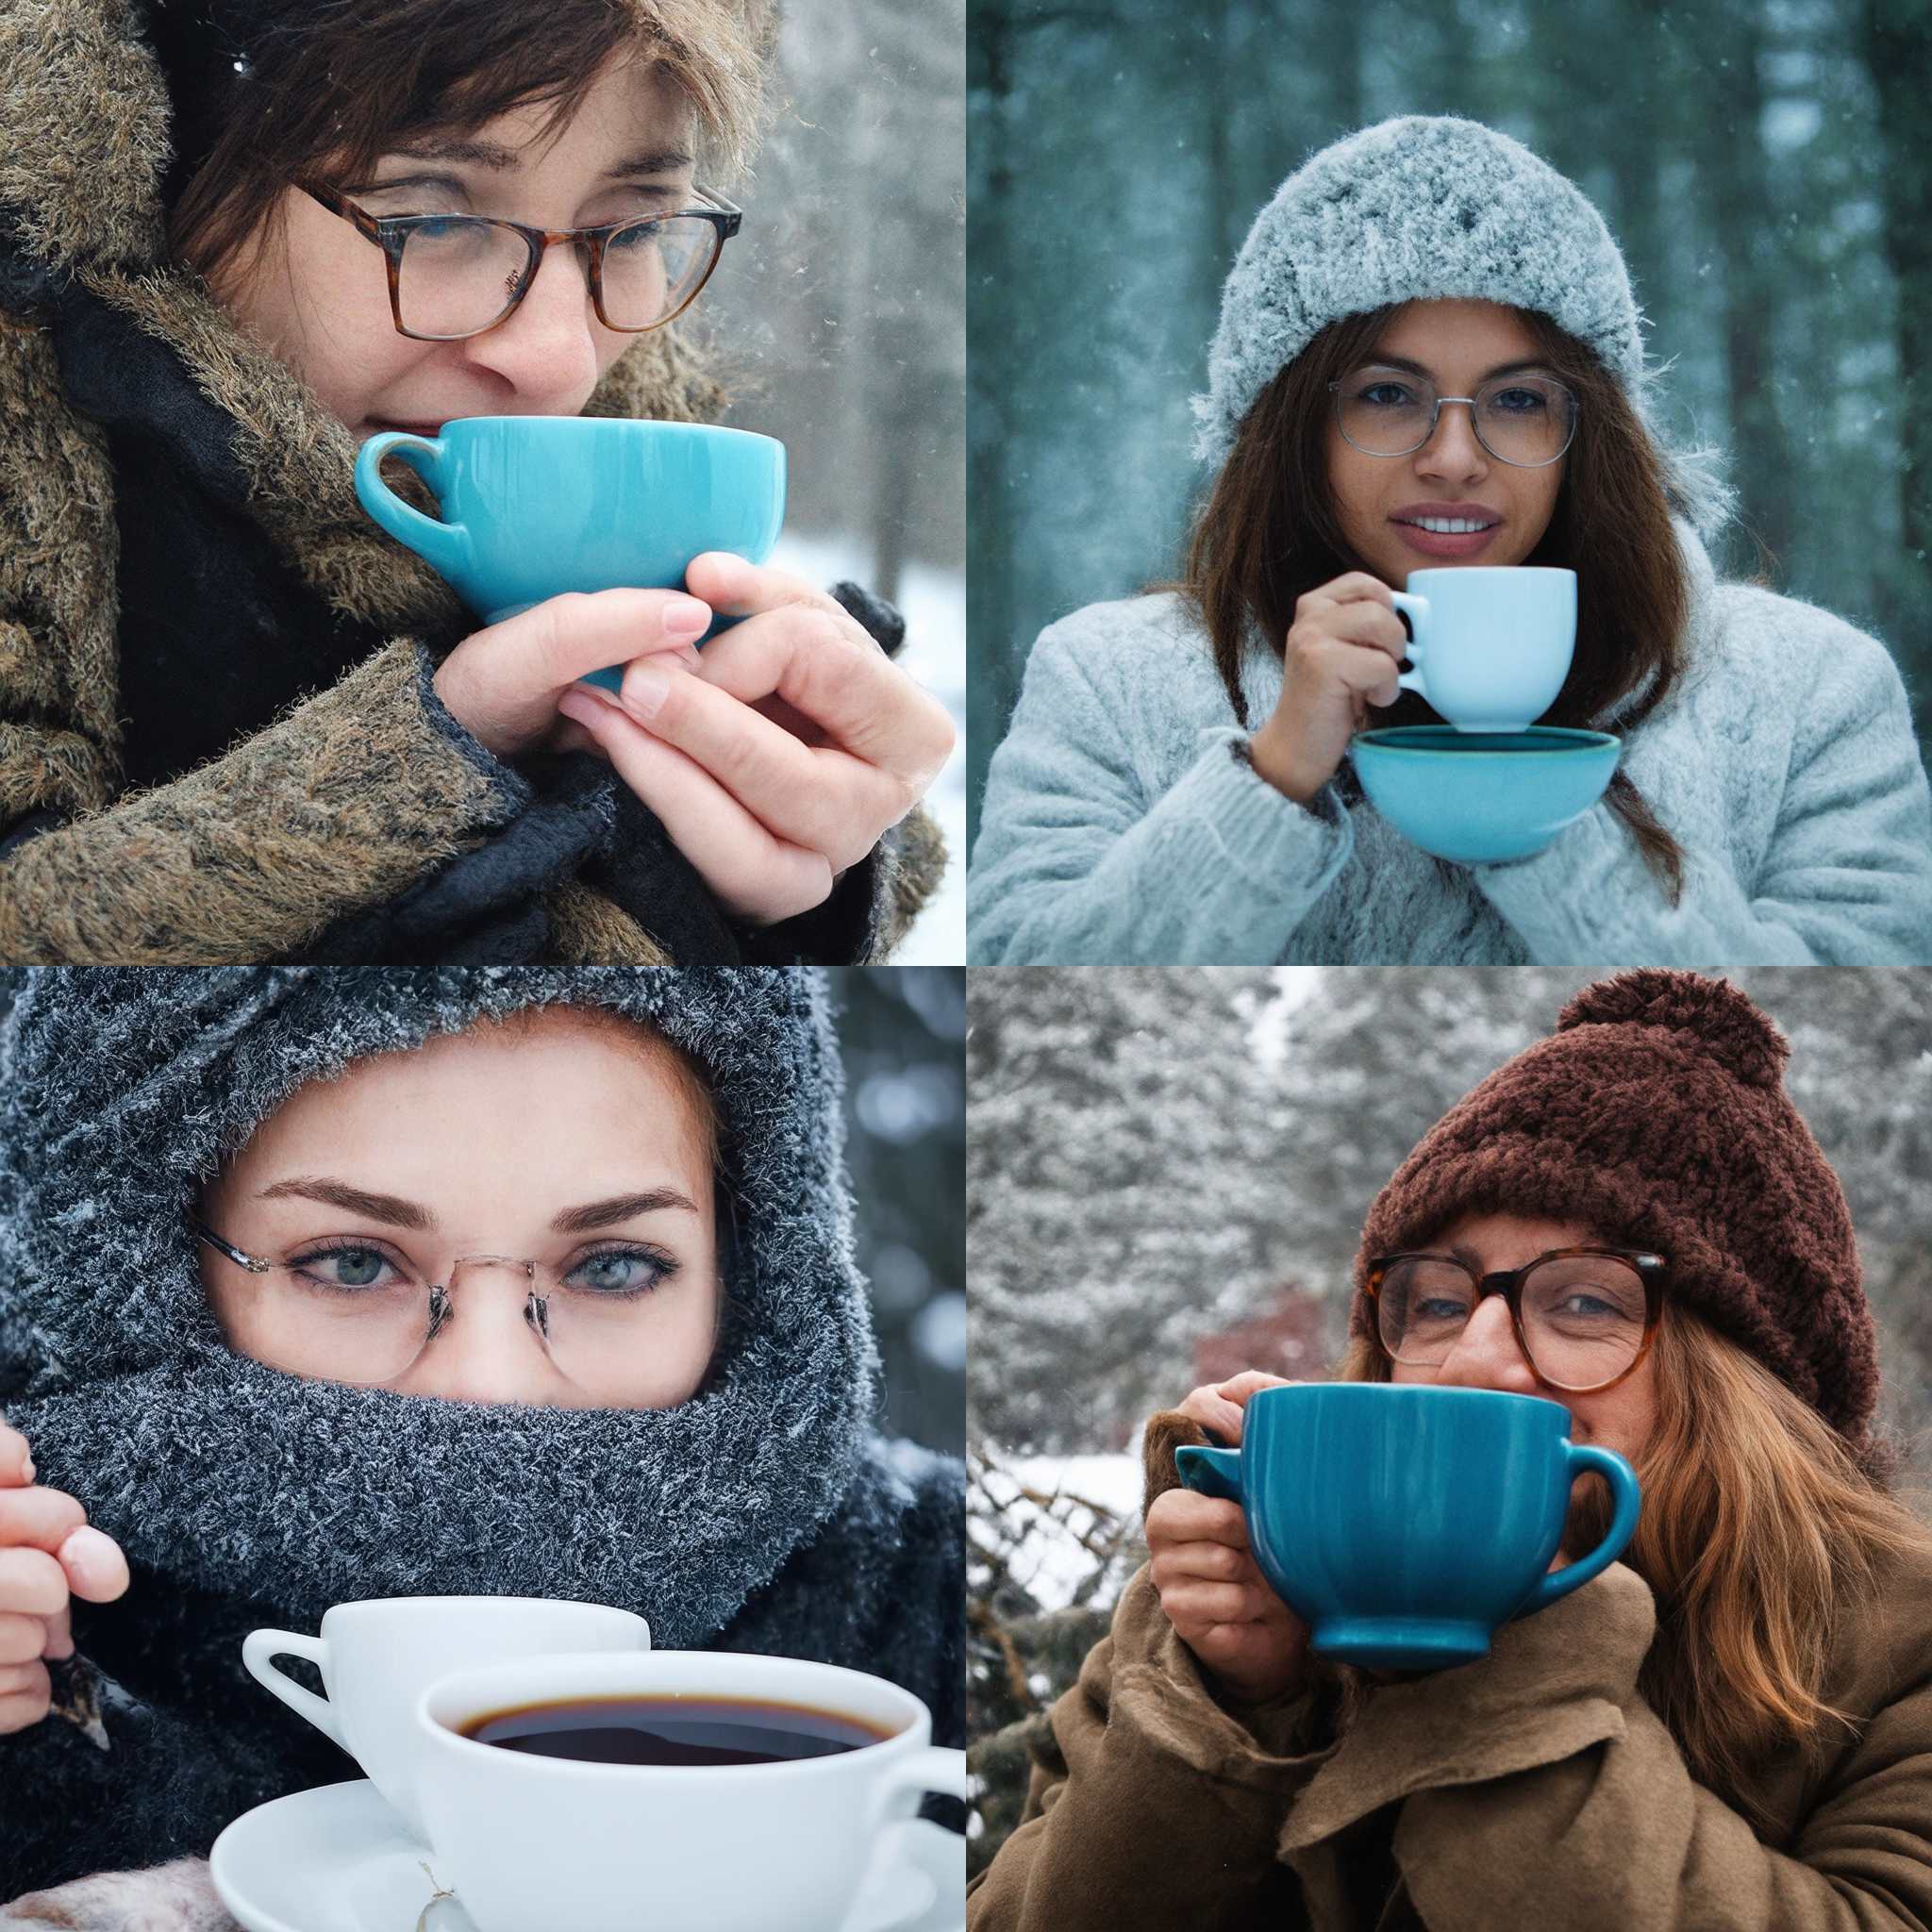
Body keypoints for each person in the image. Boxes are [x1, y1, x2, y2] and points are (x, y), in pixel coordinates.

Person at [969, 970, 1932, 1929]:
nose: (1471, 1359)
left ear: (1739, 1379)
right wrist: (1230, 1703)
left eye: (1583, 1300)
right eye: (1434, 1300)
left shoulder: (1895, 1645)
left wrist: (1513, 1682)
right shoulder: (1241, 1595)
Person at [0, 0, 954, 964]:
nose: (557, 362)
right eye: (435, 220)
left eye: (628, 232)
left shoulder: (640, 451)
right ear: (169, 173)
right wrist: (415, 775)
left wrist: (785, 876)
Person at [0, 967, 963, 1900]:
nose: (489, 1384)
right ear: (157, 1269)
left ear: (747, 1278)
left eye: (615, 1267)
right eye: (349, 1261)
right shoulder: (39, 1603)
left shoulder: (933, 1588)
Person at [968, 117, 1932, 966]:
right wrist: (1268, 777)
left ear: (1585, 431)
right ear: (1292, 423)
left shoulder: (1812, 693)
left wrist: (1535, 808)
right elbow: (1020, 968)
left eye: (1517, 400)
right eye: (1387, 395)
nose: (1454, 458)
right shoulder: (1104, 679)